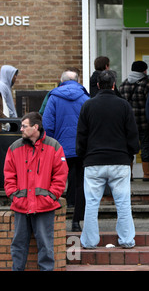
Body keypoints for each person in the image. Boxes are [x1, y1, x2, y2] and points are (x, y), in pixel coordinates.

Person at [76, 70, 140, 249]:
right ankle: (127, 240)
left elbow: (81, 134)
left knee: (91, 204)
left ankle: (89, 241)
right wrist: (131, 152)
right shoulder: (124, 105)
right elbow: (132, 134)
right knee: (123, 203)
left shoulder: (88, 105)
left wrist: (83, 155)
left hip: (94, 161)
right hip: (119, 161)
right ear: (114, 85)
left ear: (97, 85)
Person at [4, 112, 68, 271]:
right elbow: (8, 175)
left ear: (35, 127)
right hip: (21, 205)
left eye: (24, 126)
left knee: (46, 246)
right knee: (18, 245)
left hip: (44, 206)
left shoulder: (53, 147)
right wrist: (14, 196)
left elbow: (61, 175)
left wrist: (51, 196)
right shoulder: (15, 147)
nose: (21, 129)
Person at [42, 69, 90, 232]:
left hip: (59, 148)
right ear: (77, 80)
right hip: (81, 148)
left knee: (56, 182)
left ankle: (54, 220)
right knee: (80, 184)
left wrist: (50, 146)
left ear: (61, 81)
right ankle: (76, 222)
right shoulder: (85, 97)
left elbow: (47, 125)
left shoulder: (54, 97)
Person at [119, 60, 149, 181]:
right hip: (143, 121)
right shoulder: (147, 83)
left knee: (129, 148)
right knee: (145, 147)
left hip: (128, 122)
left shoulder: (124, 84)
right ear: (144, 70)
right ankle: (147, 173)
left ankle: (129, 174)